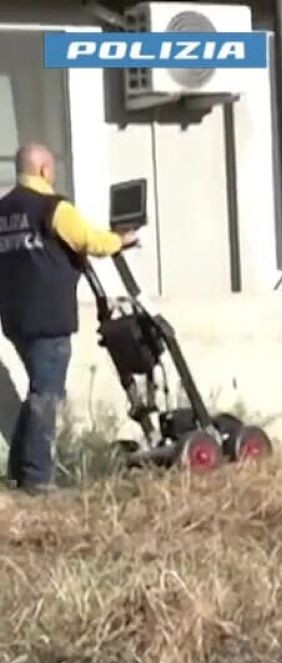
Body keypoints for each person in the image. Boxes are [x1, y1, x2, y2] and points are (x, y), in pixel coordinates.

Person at [0, 143, 137, 494]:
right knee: (47, 394)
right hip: (49, 316)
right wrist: (121, 240)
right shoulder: (53, 207)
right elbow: (89, 240)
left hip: (15, 318)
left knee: (37, 390)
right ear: (44, 170)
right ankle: (37, 478)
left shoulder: (3, 211)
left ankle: (19, 471)